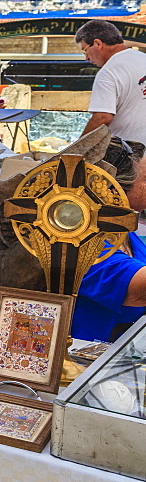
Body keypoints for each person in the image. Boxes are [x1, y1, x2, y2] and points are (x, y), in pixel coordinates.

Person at [72, 136, 146, 342]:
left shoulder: (122, 230)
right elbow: (139, 288)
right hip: (86, 360)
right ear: (116, 190)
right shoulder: (80, 241)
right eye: (145, 180)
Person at [75, 19, 146, 144]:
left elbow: (102, 118)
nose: (86, 58)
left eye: (85, 50)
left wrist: (76, 150)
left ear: (97, 43)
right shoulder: (143, 59)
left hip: (129, 154)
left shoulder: (108, 72)